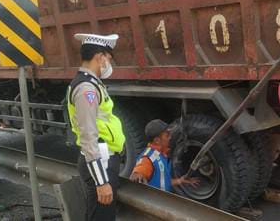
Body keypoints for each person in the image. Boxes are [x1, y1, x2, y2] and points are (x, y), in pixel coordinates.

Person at [66, 33, 126, 221]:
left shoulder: (91, 83)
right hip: (100, 162)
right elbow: (88, 138)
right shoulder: (87, 89)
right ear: (100, 57)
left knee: (100, 215)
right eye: (108, 58)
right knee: (101, 217)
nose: (109, 63)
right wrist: (102, 182)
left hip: (103, 159)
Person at [130, 119, 199, 191]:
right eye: (167, 135)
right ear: (157, 140)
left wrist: (179, 181)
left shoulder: (161, 154)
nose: (170, 137)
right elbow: (138, 172)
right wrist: (137, 174)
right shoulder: (148, 158)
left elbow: (161, 183)